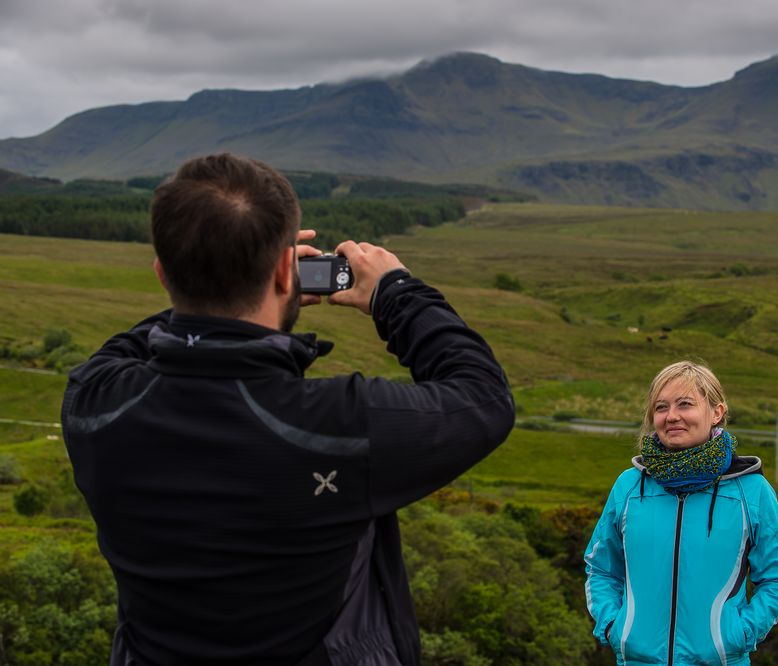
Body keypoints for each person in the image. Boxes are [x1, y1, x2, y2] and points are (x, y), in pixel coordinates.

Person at [61, 153, 515, 665]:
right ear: (286, 270)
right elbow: (483, 396)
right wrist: (396, 292)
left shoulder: (95, 408)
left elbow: (131, 346)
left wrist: (224, 270)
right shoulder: (336, 425)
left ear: (163, 275)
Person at [584, 361, 778, 666]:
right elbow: (600, 568)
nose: (672, 416)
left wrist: (740, 635)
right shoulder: (629, 487)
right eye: (661, 407)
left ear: (716, 412)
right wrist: (613, 627)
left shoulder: (751, 491)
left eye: (685, 404)